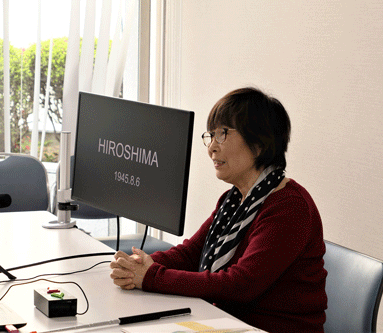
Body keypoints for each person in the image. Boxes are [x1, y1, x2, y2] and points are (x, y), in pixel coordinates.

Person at [109, 87, 327, 333]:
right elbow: (191, 253)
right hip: (226, 322)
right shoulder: (235, 199)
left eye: (222, 134)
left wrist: (150, 276)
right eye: (210, 135)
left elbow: (240, 285)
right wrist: (136, 265)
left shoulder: (289, 208)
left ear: (258, 142)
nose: (211, 147)